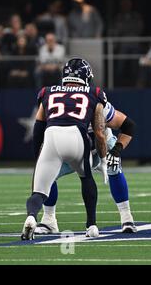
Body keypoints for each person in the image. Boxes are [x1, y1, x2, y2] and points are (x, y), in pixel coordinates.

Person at [21, 58, 109, 240]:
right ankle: (91, 225)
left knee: (39, 191)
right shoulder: (95, 92)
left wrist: (37, 155)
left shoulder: (47, 91)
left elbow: (38, 127)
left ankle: (31, 217)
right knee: (86, 178)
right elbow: (100, 133)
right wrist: (104, 158)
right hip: (77, 136)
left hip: (52, 135)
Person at [34, 101, 138, 234]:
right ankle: (49, 220)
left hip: (100, 149)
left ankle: (126, 217)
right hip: (72, 151)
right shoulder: (56, 105)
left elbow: (128, 125)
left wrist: (116, 151)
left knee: (114, 166)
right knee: (46, 173)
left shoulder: (97, 104)